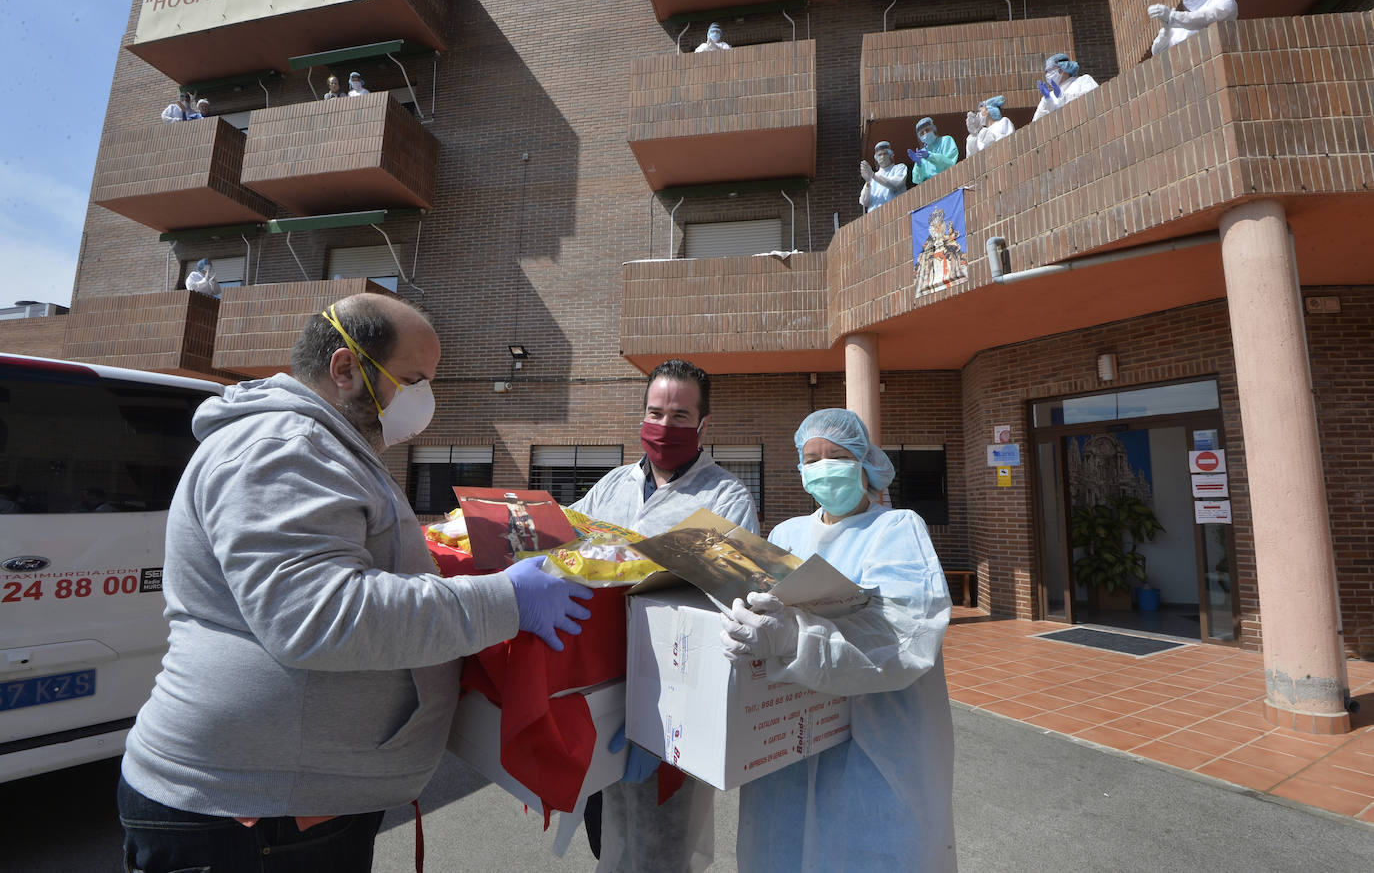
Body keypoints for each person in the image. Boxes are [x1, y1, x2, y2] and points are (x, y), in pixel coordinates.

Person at [115, 293, 593, 873]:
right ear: (345, 368)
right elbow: (319, 616)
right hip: (248, 819)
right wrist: (504, 600)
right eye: (413, 379)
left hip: (284, 805)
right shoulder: (286, 448)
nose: (425, 400)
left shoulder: (327, 448)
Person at [722, 408, 955, 872]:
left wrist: (798, 637)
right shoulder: (787, 534)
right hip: (785, 734)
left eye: (838, 455)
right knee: (782, 849)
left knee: (869, 848)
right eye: (813, 457)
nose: (824, 466)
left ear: (866, 463)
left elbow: (903, 638)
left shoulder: (897, 528)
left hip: (878, 737)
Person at [572, 358, 759, 873]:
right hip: (601, 684)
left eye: (680, 415)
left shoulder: (726, 496)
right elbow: (570, 551)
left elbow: (735, 594)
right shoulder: (610, 486)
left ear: (703, 425)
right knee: (603, 829)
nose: (664, 426)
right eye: (655, 412)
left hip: (673, 689)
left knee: (662, 844)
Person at [1148, 0, 1237, 56]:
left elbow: (1208, 18)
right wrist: (1166, 31)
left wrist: (1173, 16)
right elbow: (1156, 52)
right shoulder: (1177, 23)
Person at [1032, 53, 1099, 121]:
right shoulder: (1048, 97)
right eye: (1046, 72)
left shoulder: (1083, 80)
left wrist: (1062, 97)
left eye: (1050, 70)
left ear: (1061, 70)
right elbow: (1036, 123)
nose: (1047, 75)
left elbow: (1092, 98)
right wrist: (1048, 101)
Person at [907, 117, 959, 186]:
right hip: (931, 189)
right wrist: (919, 165)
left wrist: (930, 156)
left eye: (927, 130)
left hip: (948, 181)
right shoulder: (921, 153)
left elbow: (950, 164)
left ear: (934, 129)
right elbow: (917, 180)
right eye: (922, 133)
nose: (925, 134)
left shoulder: (946, 141)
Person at [859, 140, 909, 213]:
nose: (882, 156)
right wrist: (868, 183)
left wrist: (873, 175)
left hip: (894, 213)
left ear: (891, 155)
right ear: (876, 158)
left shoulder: (899, 168)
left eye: (885, 153)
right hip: (874, 217)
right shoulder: (872, 178)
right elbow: (864, 202)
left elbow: (895, 184)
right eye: (879, 155)